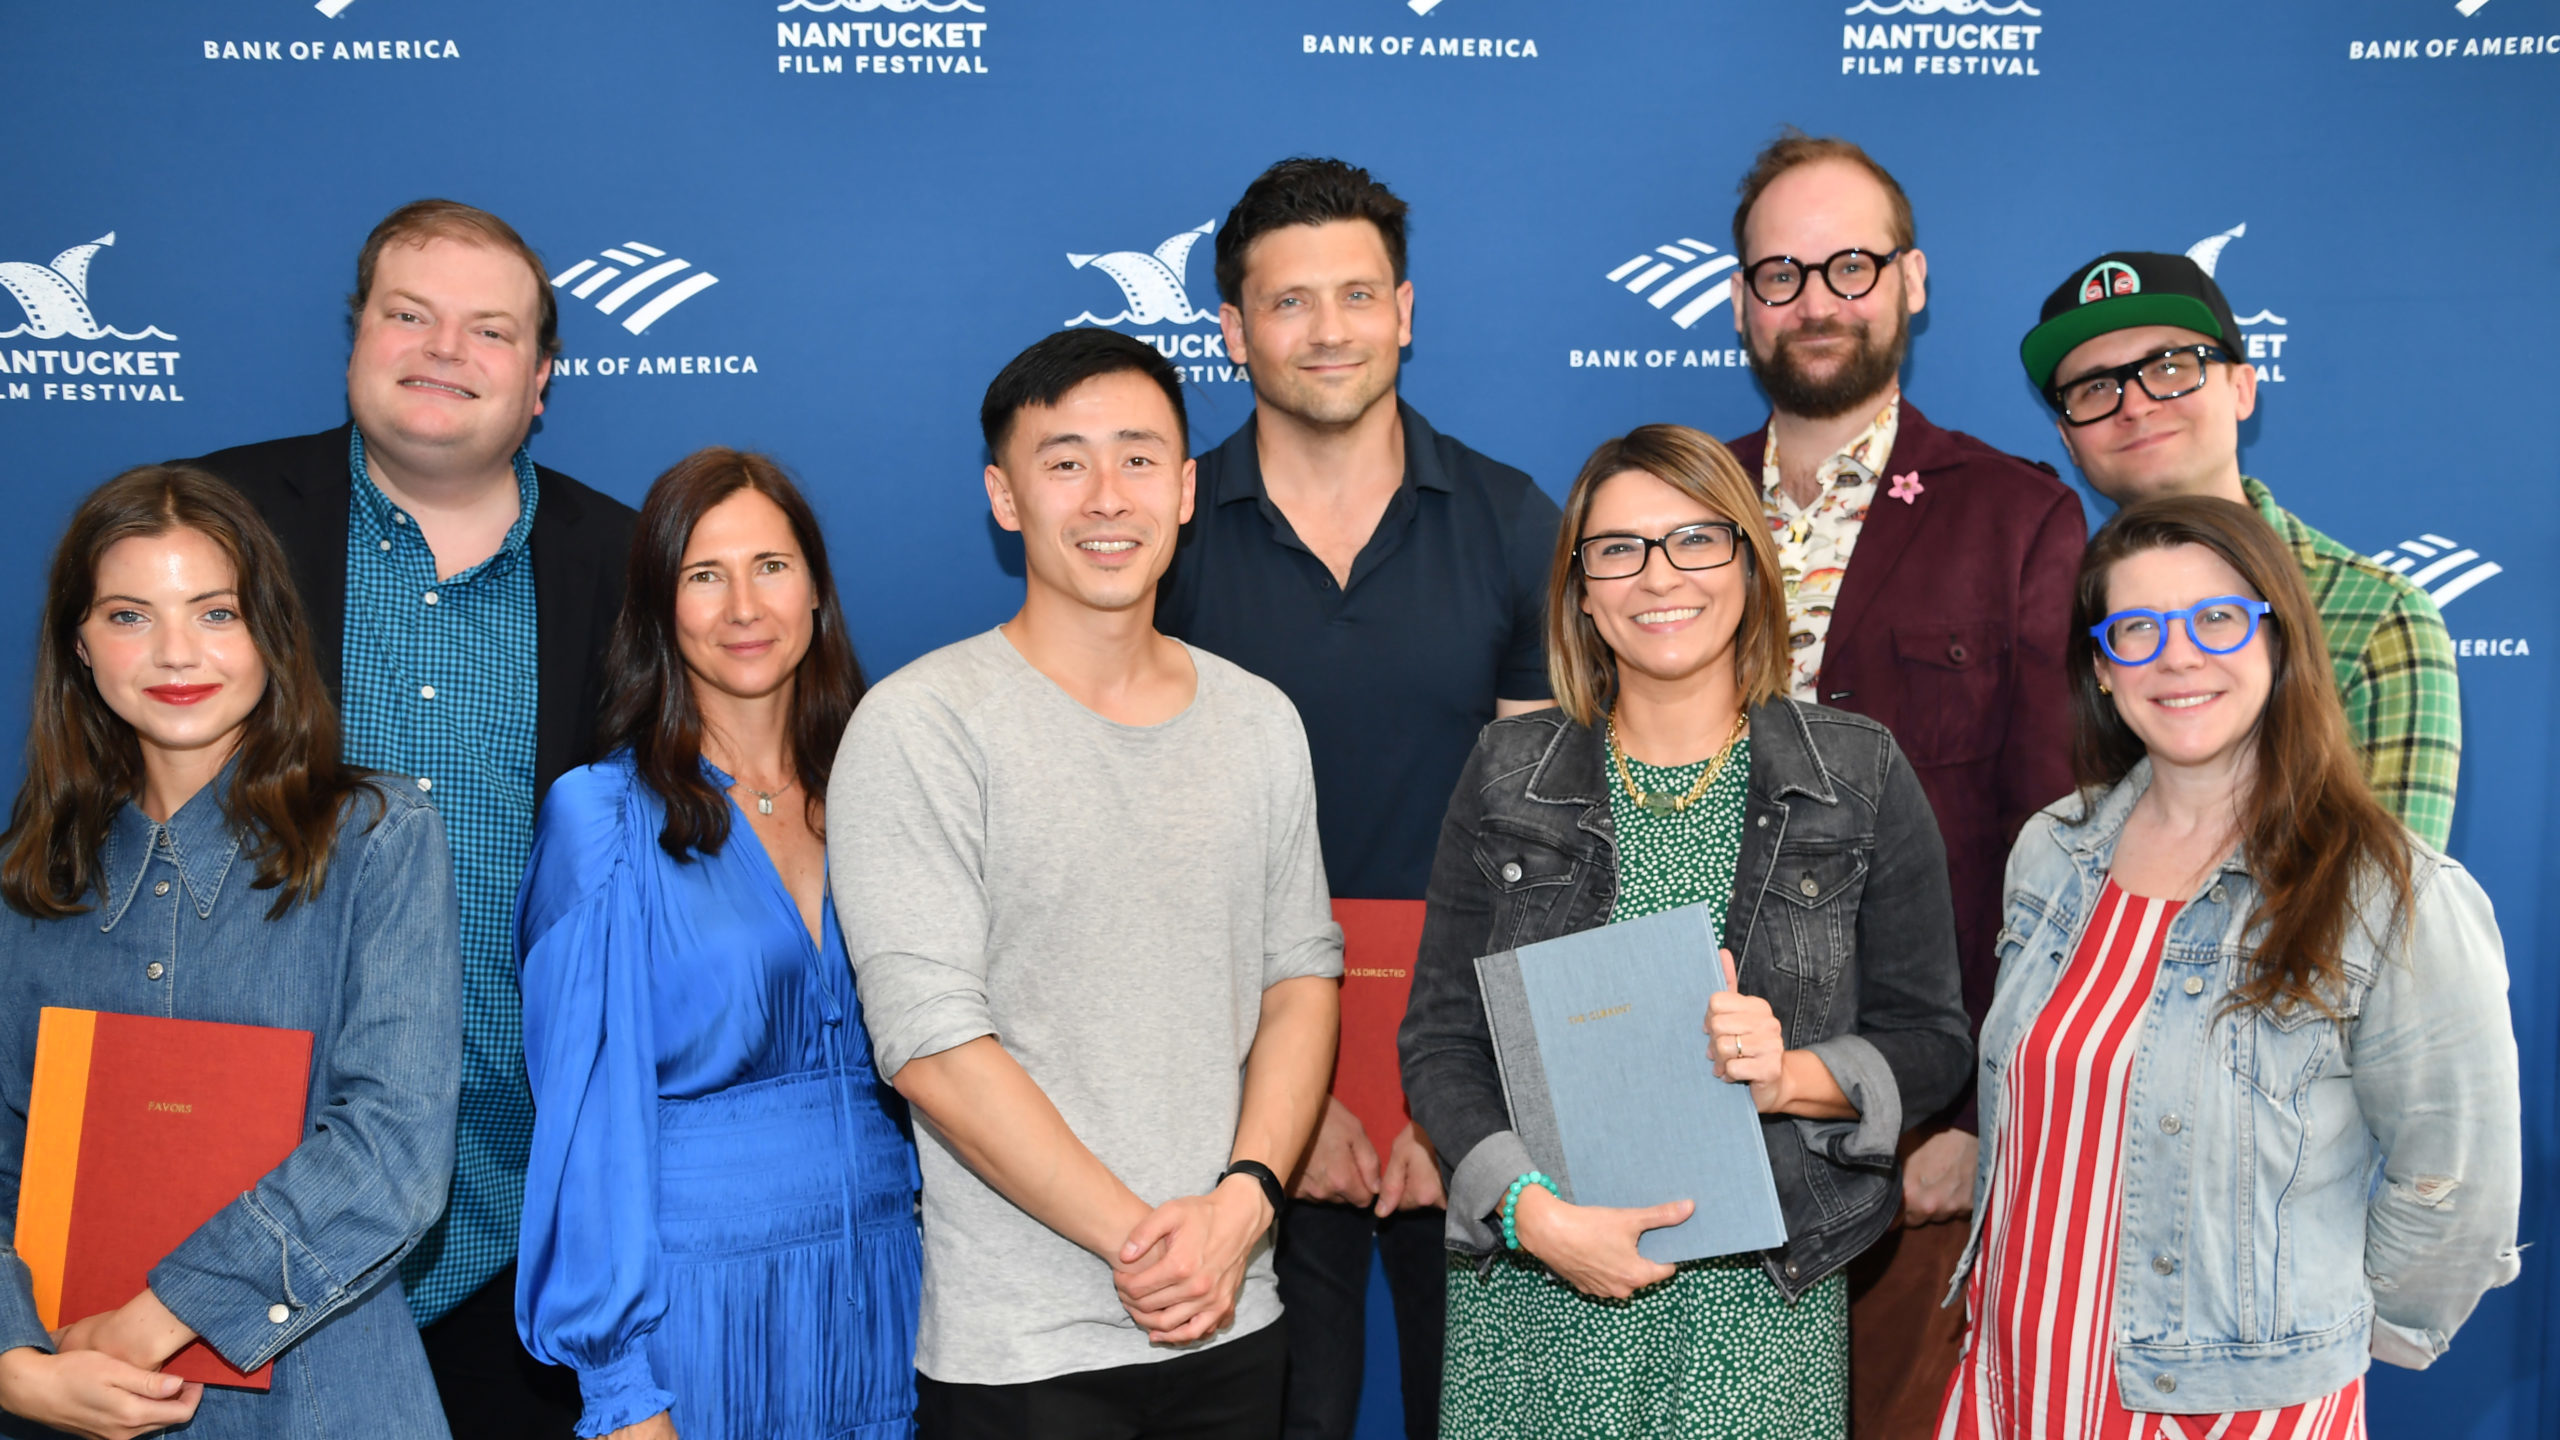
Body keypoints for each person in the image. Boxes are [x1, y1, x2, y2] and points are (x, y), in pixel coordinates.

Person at [1399, 425, 1972, 1439]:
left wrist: (1789, 1076)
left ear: (1749, 565)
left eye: (1695, 540)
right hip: (1538, 1291)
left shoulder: (1859, 772)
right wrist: (1532, 1216)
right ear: (1580, 589)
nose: (1657, 575)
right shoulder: (1505, 769)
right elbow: (1442, 1041)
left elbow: (1930, 1042)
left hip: (1758, 1299)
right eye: (1617, 548)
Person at [831, 328, 1343, 1439]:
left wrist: (1242, 1206)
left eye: (1139, 458)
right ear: (1003, 496)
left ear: (1188, 486)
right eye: (1063, 462)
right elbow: (928, 1044)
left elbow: (1300, 979)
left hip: (1236, 1322)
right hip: (1024, 1355)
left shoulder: (1259, 721)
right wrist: (1149, 1245)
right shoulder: (922, 726)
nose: (1107, 497)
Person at [181, 198, 636, 1435]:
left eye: (490, 330)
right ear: (355, 339)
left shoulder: (629, 566)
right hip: (234, 1206)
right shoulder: (207, 525)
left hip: (521, 1207)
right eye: (409, 315)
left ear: (540, 381)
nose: (445, 350)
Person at [1938, 495, 2519, 1438]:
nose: (2177, 656)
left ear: (2281, 641)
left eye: (2216, 618)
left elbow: (2456, 1183)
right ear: (2102, 667)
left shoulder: (2393, 894)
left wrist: (2303, 1344)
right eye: (2137, 629)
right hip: (2015, 1378)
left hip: (2231, 1412)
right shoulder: (2052, 848)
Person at [1154, 155, 1561, 1440]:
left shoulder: (1507, 518)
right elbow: (1143, 849)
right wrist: (1266, 1104)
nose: (1327, 331)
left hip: (1472, 1092)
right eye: (1287, 302)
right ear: (1231, 330)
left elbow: (1543, 844)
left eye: (1355, 294)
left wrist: (1462, 1107)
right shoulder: (1163, 536)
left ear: (1404, 310)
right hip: (1223, 1088)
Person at [1717, 131, 2087, 1433]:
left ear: (1912, 281)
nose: (1816, 300)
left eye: (1850, 264)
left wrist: (1987, 1121)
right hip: (1691, 1126)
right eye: (1781, 273)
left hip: (1912, 1132)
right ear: (1740, 298)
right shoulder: (1670, 514)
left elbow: (2062, 853)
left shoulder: (2015, 518)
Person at [0, 466, 461, 1439]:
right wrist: (15, 1363)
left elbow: (393, 1150)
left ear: (270, 631)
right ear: (78, 643)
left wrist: (154, 1319)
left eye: (215, 612)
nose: (176, 653)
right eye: (130, 616)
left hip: (324, 1395)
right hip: (66, 1392)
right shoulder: (31, 881)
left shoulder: (376, 838)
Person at [514, 449, 921, 1440]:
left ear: (817, 592)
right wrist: (621, 1392)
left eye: (770, 567)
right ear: (660, 607)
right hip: (696, 1310)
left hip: (893, 1293)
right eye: (704, 575)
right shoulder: (602, 820)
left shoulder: (888, 794)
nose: (743, 605)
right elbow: (586, 1130)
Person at [2021, 250, 2459, 848]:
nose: (2136, 404)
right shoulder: (2044, 611)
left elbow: (2389, 904)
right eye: (2096, 387)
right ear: (2069, 442)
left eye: (2172, 367)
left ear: (2243, 389)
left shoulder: (2377, 617)